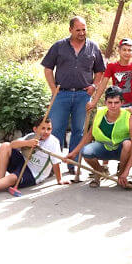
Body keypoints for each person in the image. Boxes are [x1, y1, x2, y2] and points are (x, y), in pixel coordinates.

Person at [41, 16, 105, 173]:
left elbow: (100, 71)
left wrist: (94, 86)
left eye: (84, 29)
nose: (82, 33)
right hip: (61, 94)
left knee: (79, 130)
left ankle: (73, 164)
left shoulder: (93, 47)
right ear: (70, 29)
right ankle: (51, 167)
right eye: (78, 30)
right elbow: (48, 68)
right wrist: (52, 89)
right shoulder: (59, 46)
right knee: (55, 130)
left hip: (83, 96)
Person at [0, 119, 67, 200]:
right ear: (35, 129)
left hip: (33, 173)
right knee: (5, 146)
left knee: (12, 178)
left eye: (49, 129)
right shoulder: (31, 136)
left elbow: (56, 163)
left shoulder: (54, 142)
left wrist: (59, 180)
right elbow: (13, 144)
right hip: (23, 162)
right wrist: (27, 143)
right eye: (43, 128)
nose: (46, 132)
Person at [67, 86, 132, 188]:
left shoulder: (130, 118)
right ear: (105, 102)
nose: (113, 106)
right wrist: (73, 153)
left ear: (122, 103)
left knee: (128, 144)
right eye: (110, 102)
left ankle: (121, 174)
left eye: (116, 102)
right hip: (103, 148)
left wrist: (126, 172)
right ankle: (99, 172)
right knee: (86, 151)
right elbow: (89, 136)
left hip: (122, 151)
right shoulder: (100, 113)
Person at [87, 38, 132, 110]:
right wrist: (94, 102)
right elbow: (103, 84)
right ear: (119, 51)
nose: (127, 52)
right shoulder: (111, 66)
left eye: (129, 50)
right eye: (124, 50)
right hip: (117, 103)